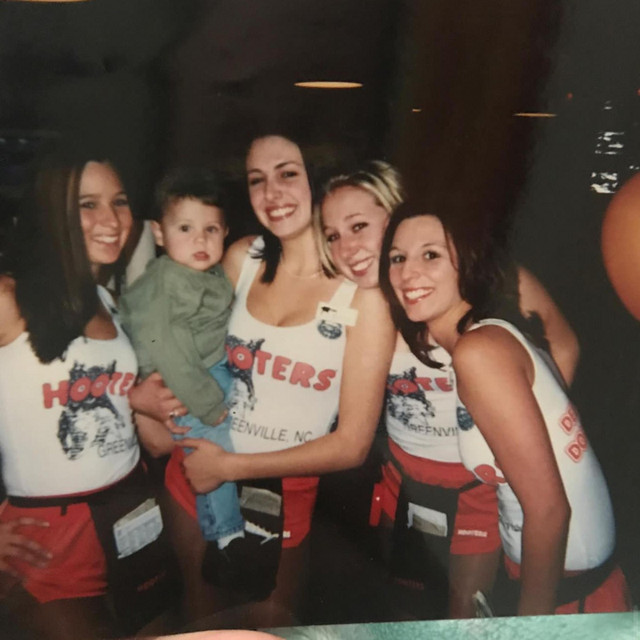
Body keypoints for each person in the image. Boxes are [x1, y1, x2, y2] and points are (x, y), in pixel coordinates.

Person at [143, 134, 395, 628]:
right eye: (257, 180)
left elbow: (351, 446)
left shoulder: (363, 297)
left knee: (267, 625)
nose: (271, 193)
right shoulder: (242, 259)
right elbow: (180, 338)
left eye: (287, 174)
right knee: (200, 622)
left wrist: (230, 467)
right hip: (195, 474)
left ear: (317, 181)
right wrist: (148, 397)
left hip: (280, 492)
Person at [318, 161, 580, 617]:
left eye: (359, 226)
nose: (346, 248)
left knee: (463, 613)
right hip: (402, 474)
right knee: (403, 598)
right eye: (333, 236)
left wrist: (531, 430)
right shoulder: (357, 302)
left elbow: (565, 343)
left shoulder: (484, 279)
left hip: (474, 485)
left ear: (396, 216)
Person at [378, 199, 631, 616]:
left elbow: (549, 510)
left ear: (469, 263)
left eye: (431, 255)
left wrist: (531, 627)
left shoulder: (479, 353)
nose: (408, 273)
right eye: (397, 258)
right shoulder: (490, 334)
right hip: (565, 577)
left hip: (574, 595)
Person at [0, 151, 177, 639]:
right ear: (51, 211)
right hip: (48, 536)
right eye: (87, 204)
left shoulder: (107, 301)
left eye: (119, 202)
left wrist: (142, 402)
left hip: (133, 511)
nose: (111, 220)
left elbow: (149, 432)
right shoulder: (8, 298)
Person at [121, 167, 260, 592]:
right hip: (178, 378)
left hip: (205, 366)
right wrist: (208, 404)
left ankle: (236, 520)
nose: (200, 240)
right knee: (212, 444)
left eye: (211, 229)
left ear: (225, 232)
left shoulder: (206, 273)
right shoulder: (165, 282)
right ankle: (226, 538)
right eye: (185, 228)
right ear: (159, 234)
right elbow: (169, 350)